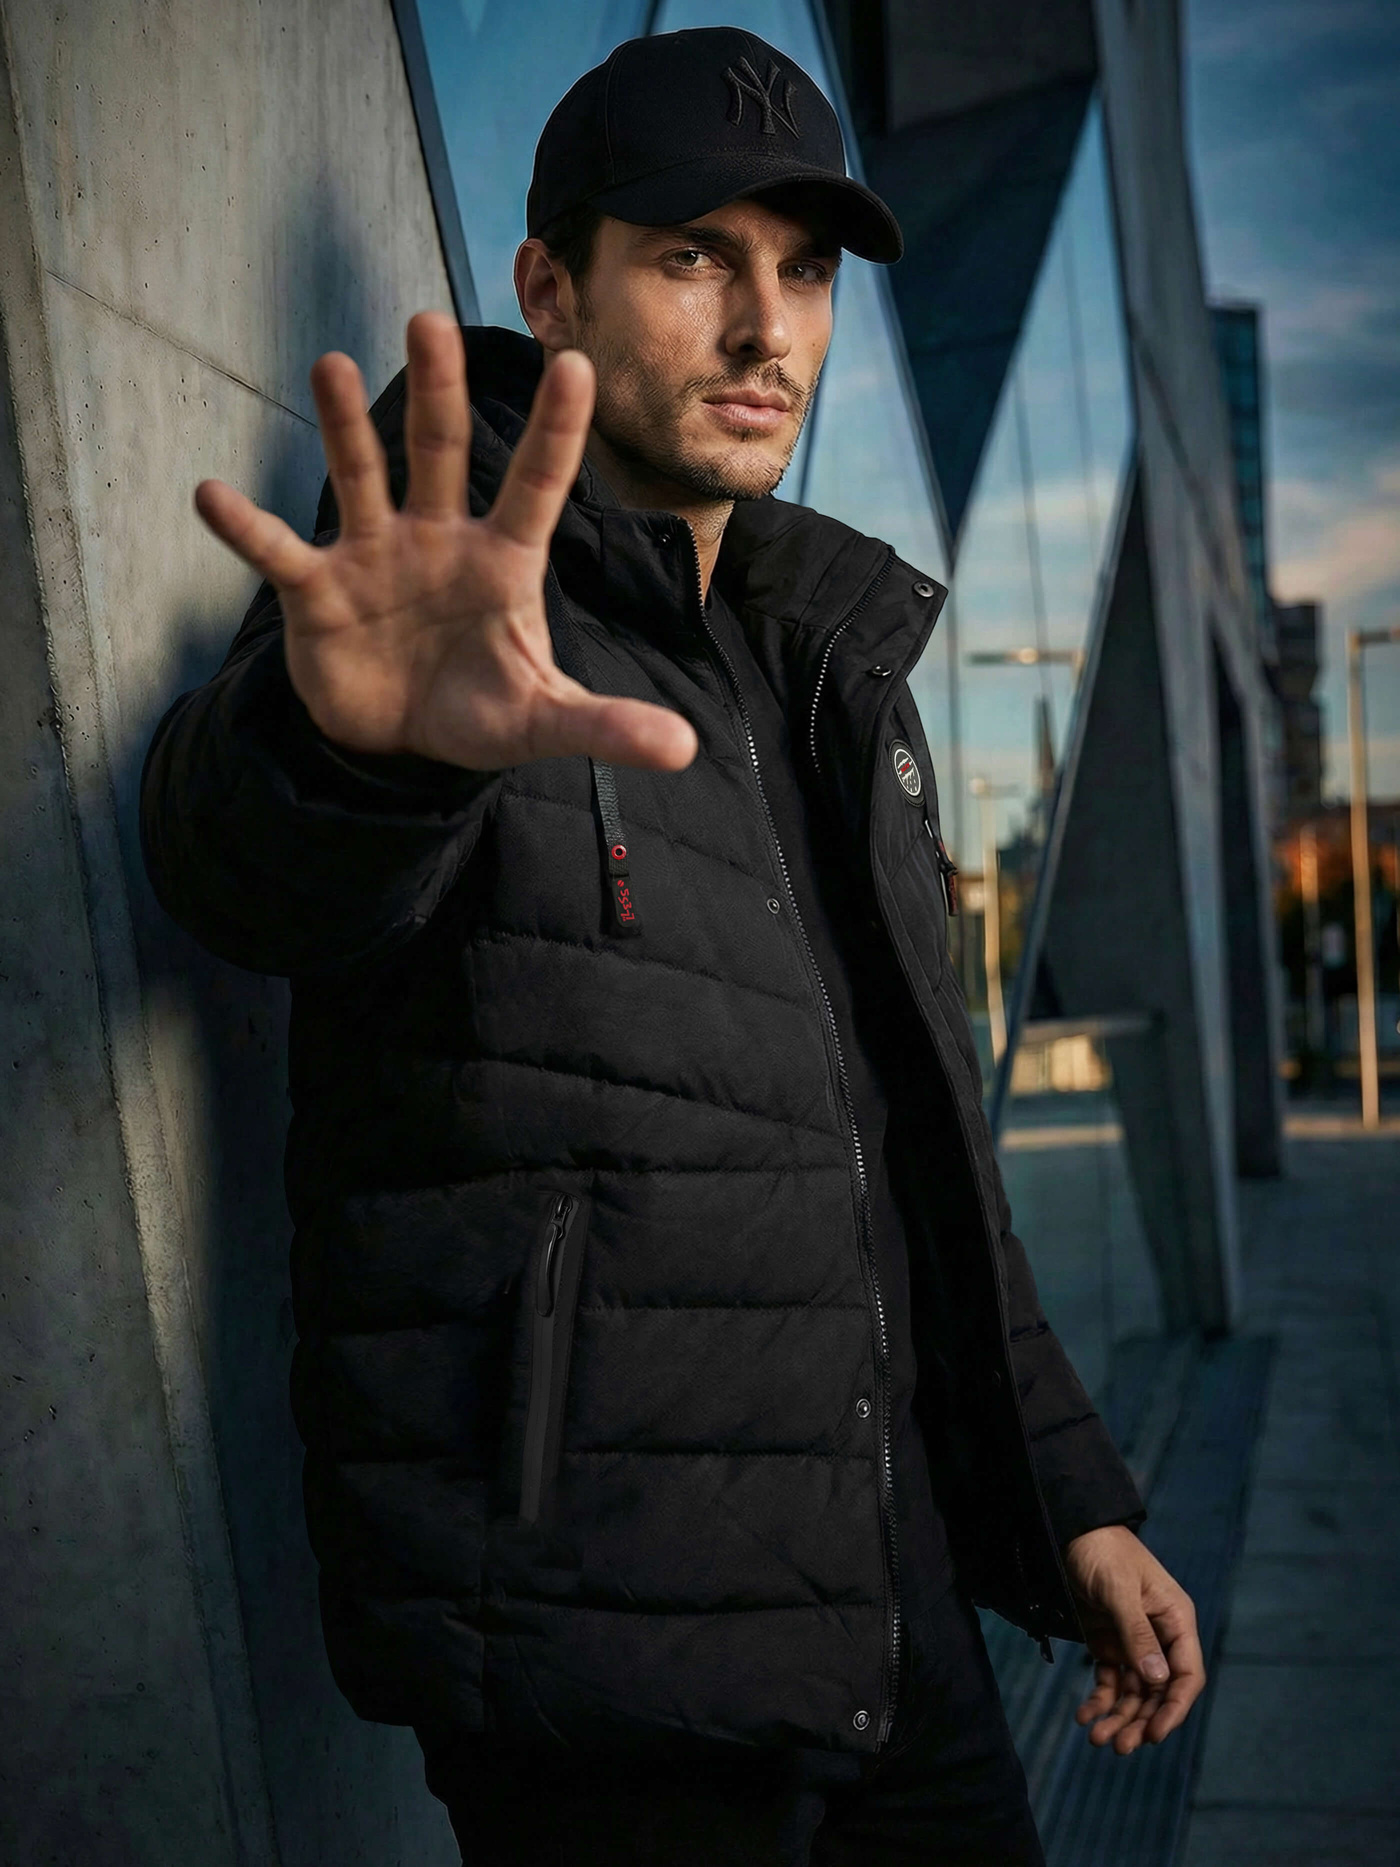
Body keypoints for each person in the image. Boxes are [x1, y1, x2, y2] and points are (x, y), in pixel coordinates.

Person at [140, 25, 1205, 1865]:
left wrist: (1068, 1496)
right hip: (604, 1663)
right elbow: (247, 871)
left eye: (806, 271)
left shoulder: (830, 670)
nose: (767, 328)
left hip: (898, 1621)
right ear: (552, 288)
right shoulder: (453, 614)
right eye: (696, 256)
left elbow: (920, 1162)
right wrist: (357, 751)